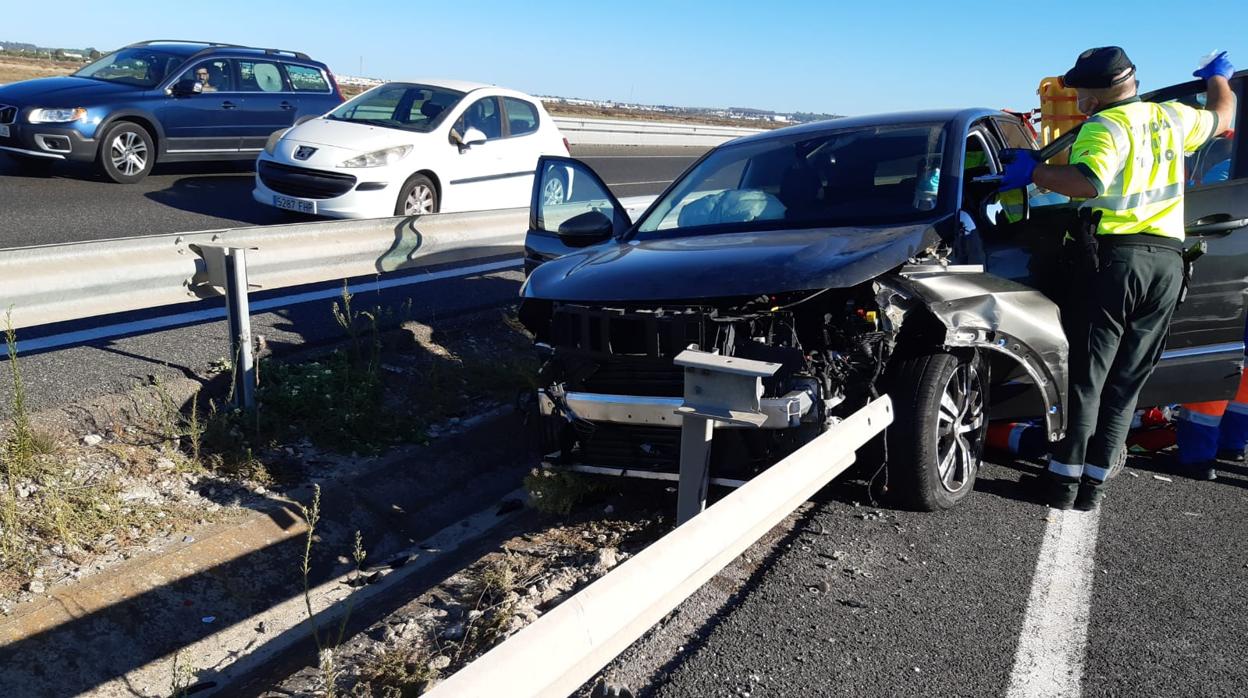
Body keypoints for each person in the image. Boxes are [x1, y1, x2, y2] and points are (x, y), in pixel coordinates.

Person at [998, 47, 1237, 511]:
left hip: (1116, 261)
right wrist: (1219, 78)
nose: (1079, 98)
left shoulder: (1104, 128)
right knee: (1127, 383)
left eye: (1083, 90)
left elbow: (1087, 182)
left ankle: (1063, 485)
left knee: (1090, 379)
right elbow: (1222, 113)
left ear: (1105, 90)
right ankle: (1094, 489)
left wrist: (1035, 170)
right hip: (1168, 265)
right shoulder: (1172, 117)